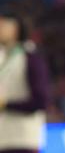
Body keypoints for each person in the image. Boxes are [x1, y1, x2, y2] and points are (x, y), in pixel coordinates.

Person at [0, 10, 49, 153]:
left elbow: (40, 100)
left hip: (22, 140)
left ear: (16, 28)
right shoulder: (3, 57)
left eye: (3, 24)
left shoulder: (30, 58)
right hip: (4, 139)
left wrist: (6, 104)